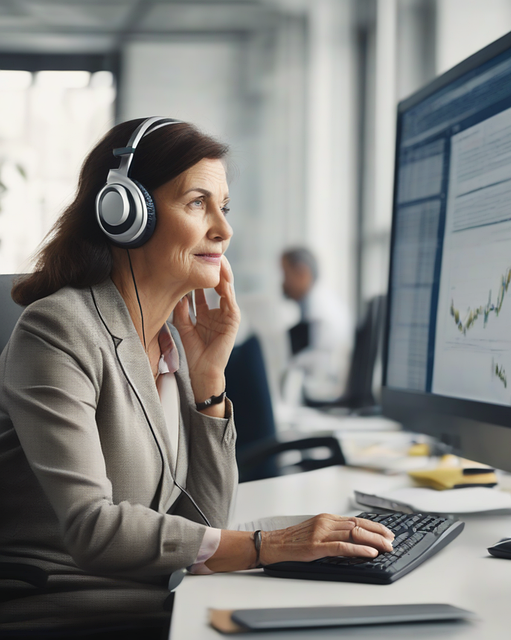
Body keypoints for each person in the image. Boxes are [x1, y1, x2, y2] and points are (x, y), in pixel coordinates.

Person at [0, 118, 394, 636]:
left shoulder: (171, 344)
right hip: (74, 610)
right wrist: (267, 546)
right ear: (124, 213)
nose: (223, 230)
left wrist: (209, 380)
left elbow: (205, 522)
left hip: (162, 599)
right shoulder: (58, 329)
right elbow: (91, 528)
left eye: (223, 207)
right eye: (196, 203)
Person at [281, 247, 352, 402]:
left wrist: (287, 364)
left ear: (302, 273)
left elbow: (320, 362)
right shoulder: (316, 302)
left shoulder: (320, 310)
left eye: (286, 274)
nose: (283, 283)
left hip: (325, 391)